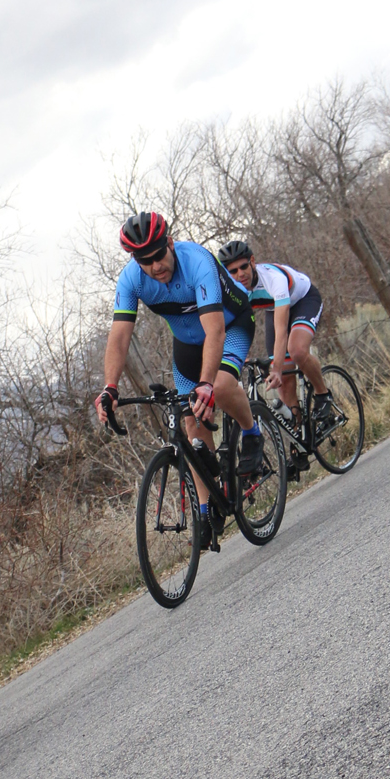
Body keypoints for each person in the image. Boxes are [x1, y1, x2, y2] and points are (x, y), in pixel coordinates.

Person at [94, 212, 262, 537]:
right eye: (146, 260)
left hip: (230, 325)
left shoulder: (197, 261)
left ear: (169, 243)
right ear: (135, 260)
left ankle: (252, 431)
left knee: (222, 385)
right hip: (187, 342)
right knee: (192, 423)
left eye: (159, 255)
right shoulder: (131, 280)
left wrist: (207, 383)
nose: (155, 265)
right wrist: (110, 387)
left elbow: (214, 331)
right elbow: (119, 338)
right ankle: (205, 510)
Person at [217, 240, 338, 432]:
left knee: (296, 351)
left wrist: (277, 369)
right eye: (233, 271)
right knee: (284, 382)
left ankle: (323, 395)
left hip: (303, 300)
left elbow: (281, 330)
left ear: (253, 262)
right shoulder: (232, 290)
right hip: (274, 309)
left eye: (243, 267)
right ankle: (298, 441)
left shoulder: (273, 279)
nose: (240, 274)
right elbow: (230, 327)